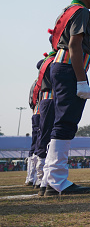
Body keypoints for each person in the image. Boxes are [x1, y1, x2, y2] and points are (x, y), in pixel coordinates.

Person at [42, 0, 90, 196]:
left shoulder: (67, 11)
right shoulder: (82, 11)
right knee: (66, 123)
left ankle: (49, 180)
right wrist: (81, 80)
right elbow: (75, 46)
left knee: (60, 122)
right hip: (69, 67)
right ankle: (57, 179)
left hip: (61, 66)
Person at [35, 45, 57, 194]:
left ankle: (40, 179)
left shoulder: (46, 62)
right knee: (48, 137)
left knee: (44, 136)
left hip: (45, 101)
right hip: (52, 99)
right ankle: (42, 179)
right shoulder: (54, 61)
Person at [26, 58, 43, 187]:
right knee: (41, 144)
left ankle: (30, 178)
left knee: (34, 145)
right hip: (42, 114)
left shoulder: (34, 83)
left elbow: (31, 102)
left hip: (35, 114)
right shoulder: (42, 82)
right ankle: (38, 178)